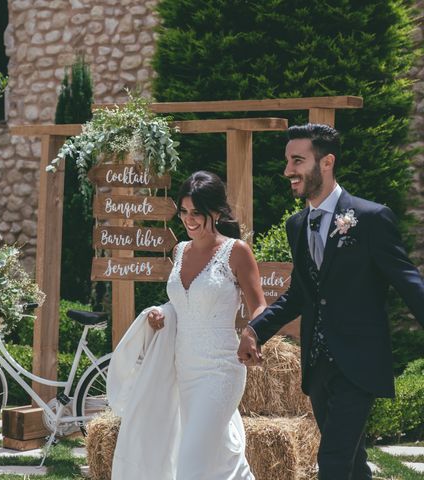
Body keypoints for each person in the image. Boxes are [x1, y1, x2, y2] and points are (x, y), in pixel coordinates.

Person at [237, 123, 424, 480]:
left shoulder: (370, 219)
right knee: (352, 466)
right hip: (319, 364)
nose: (288, 171)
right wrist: (255, 329)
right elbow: (300, 295)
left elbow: (408, 282)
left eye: (297, 161)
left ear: (327, 162)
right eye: (287, 162)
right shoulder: (297, 225)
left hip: (360, 362)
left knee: (333, 461)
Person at [107, 171, 267, 480]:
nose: (189, 219)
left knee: (191, 465)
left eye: (197, 213)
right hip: (183, 371)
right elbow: (182, 305)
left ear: (217, 212)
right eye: (184, 212)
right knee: (221, 459)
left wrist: (251, 332)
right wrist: (159, 315)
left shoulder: (236, 251)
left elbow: (259, 305)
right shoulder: (179, 250)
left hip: (220, 372)